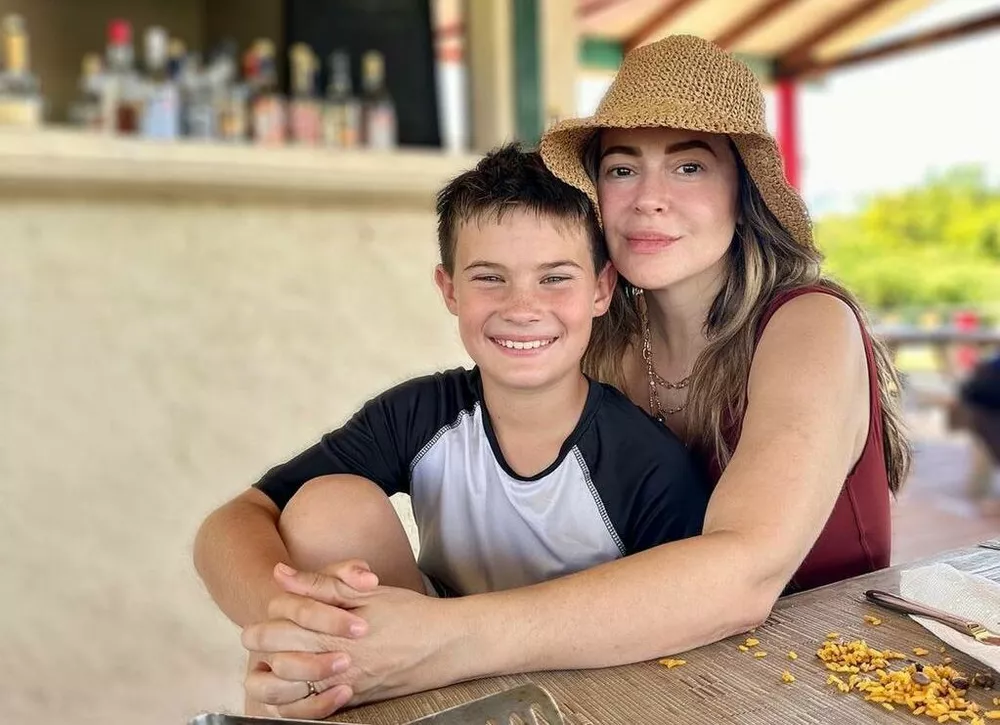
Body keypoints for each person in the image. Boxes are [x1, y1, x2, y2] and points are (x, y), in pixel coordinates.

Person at [209, 35, 911, 719]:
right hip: (642, 662)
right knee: (326, 507)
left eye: (690, 167)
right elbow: (240, 521)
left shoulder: (808, 322)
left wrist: (435, 638)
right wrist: (297, 636)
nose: (650, 198)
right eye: (623, 168)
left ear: (743, 191)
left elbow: (743, 575)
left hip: (819, 676)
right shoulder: (600, 341)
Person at [193, 143, 709, 717]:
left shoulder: (645, 462)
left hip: (589, 690)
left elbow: (690, 614)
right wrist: (291, 624)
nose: (522, 307)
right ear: (449, 289)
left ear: (601, 289)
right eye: (490, 278)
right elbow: (234, 521)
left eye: (554, 278)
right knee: (326, 506)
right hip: (419, 674)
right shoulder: (419, 415)